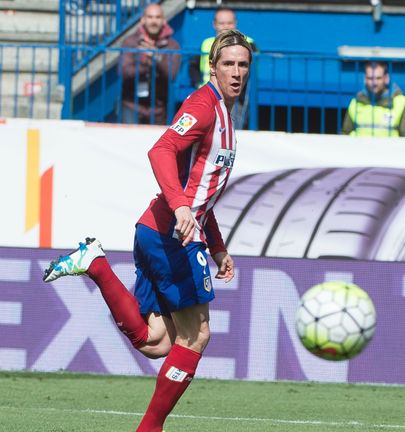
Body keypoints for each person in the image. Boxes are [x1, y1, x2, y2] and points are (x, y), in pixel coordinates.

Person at [43, 29, 252, 432]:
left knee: (157, 341)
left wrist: (219, 248)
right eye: (228, 64)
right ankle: (149, 429)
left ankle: (96, 264)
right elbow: (160, 150)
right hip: (171, 234)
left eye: (243, 65)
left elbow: (198, 193)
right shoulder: (204, 106)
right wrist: (179, 208)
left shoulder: (225, 114)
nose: (236, 72)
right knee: (197, 336)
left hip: (157, 229)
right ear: (212, 67)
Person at [188, 7, 257, 129]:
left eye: (229, 23)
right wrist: (198, 83)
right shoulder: (207, 43)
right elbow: (193, 66)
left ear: (235, 23)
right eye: (222, 23)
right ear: (214, 24)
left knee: (230, 133)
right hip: (208, 95)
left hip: (233, 98)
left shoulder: (247, 43)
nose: (225, 27)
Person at [121, 3, 181, 125]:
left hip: (159, 109)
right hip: (132, 105)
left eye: (158, 17)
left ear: (163, 20)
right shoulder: (130, 42)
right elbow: (124, 71)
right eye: (150, 17)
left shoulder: (172, 45)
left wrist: (155, 56)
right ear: (143, 19)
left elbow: (171, 74)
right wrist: (144, 64)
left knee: (158, 144)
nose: (154, 21)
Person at [342, 61, 405, 137]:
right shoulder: (355, 102)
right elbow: (345, 134)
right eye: (370, 78)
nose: (374, 83)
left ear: (386, 78)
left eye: (378, 78)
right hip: (359, 149)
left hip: (390, 149)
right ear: (365, 79)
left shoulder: (401, 102)